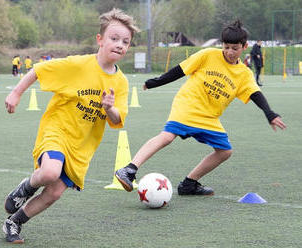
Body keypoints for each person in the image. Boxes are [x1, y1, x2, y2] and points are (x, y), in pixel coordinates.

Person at [2, 8, 139, 244]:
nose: (119, 44)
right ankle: (25, 188)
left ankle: (14, 222)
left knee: (54, 192)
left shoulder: (121, 82)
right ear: (100, 39)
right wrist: (16, 93)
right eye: (114, 38)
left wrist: (109, 108)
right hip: (57, 130)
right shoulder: (78, 65)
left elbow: (117, 119)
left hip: (82, 146)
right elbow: (38, 70)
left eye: (125, 41)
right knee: (50, 172)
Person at [115, 20, 286, 196]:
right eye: (226, 47)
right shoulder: (208, 55)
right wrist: (156, 82)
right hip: (188, 105)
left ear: (244, 46)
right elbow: (181, 70)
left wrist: (269, 114)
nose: (229, 52)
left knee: (225, 151)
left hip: (209, 117)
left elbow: (255, 94)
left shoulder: (244, 74)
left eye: (234, 48)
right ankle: (129, 169)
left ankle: (189, 184)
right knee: (167, 137)